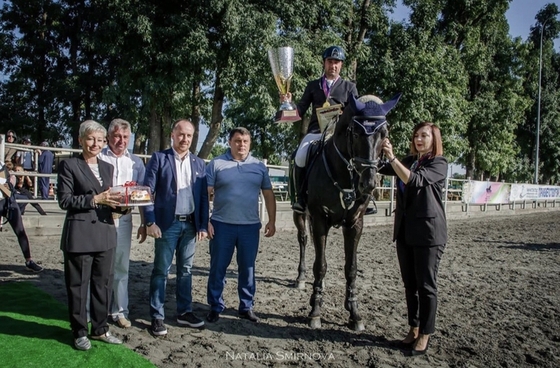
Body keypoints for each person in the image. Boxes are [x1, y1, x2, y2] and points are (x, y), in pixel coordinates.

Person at [379, 122, 448, 356]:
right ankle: (414, 328)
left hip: (429, 233)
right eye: (416, 135)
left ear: (434, 139)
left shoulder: (439, 163)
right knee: (410, 286)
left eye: (424, 135)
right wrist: (380, 145)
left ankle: (426, 335)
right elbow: (382, 167)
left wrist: (392, 158)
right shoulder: (409, 160)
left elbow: (415, 180)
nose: (419, 139)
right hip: (405, 233)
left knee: (426, 286)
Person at [57, 120, 124, 351]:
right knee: (78, 286)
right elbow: (64, 200)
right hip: (80, 235)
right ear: (81, 140)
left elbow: (111, 198)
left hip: (105, 233)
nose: (95, 144)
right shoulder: (69, 165)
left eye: (99, 140)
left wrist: (123, 205)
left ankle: (100, 328)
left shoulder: (108, 167)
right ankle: (78, 331)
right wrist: (94, 200)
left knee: (102, 285)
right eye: (90, 139)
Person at [141, 118, 209, 336]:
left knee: (186, 271)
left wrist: (202, 225)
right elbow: (146, 192)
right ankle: (157, 316)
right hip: (166, 225)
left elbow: (203, 198)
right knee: (161, 271)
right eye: (181, 134)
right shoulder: (159, 158)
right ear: (173, 134)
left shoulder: (199, 163)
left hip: (190, 225)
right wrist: (150, 222)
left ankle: (184, 312)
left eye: (189, 135)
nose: (185, 139)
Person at [205, 127, 276, 323]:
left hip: (250, 227)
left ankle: (246, 306)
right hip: (221, 225)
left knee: (248, 268)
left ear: (250, 143)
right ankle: (215, 305)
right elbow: (206, 193)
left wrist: (272, 220)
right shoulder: (216, 164)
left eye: (245, 141)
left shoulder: (259, 167)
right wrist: (206, 221)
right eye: (237, 140)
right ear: (229, 142)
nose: (241, 144)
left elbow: (268, 194)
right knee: (218, 267)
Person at [282, 45, 358, 213]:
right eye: (330, 62)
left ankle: (361, 197)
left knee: (359, 156)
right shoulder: (313, 85)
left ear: (341, 65)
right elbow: (300, 110)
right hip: (316, 132)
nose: (333, 66)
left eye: (337, 62)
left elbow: (356, 111)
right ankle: (301, 198)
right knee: (300, 155)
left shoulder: (349, 87)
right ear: (324, 63)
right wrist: (288, 103)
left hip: (339, 134)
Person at [98, 118, 146, 329]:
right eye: (117, 136)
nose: (121, 140)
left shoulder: (136, 162)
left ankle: (120, 311)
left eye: (125, 137)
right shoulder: (98, 157)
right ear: (109, 137)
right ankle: (97, 309)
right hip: (99, 218)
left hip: (125, 219)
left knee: (121, 266)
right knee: (99, 266)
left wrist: (145, 222)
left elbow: (143, 194)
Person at [0, 159, 43, 272]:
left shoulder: (1, 164)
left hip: (8, 201)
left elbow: (9, 182)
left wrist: (8, 186)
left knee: (20, 231)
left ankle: (29, 260)